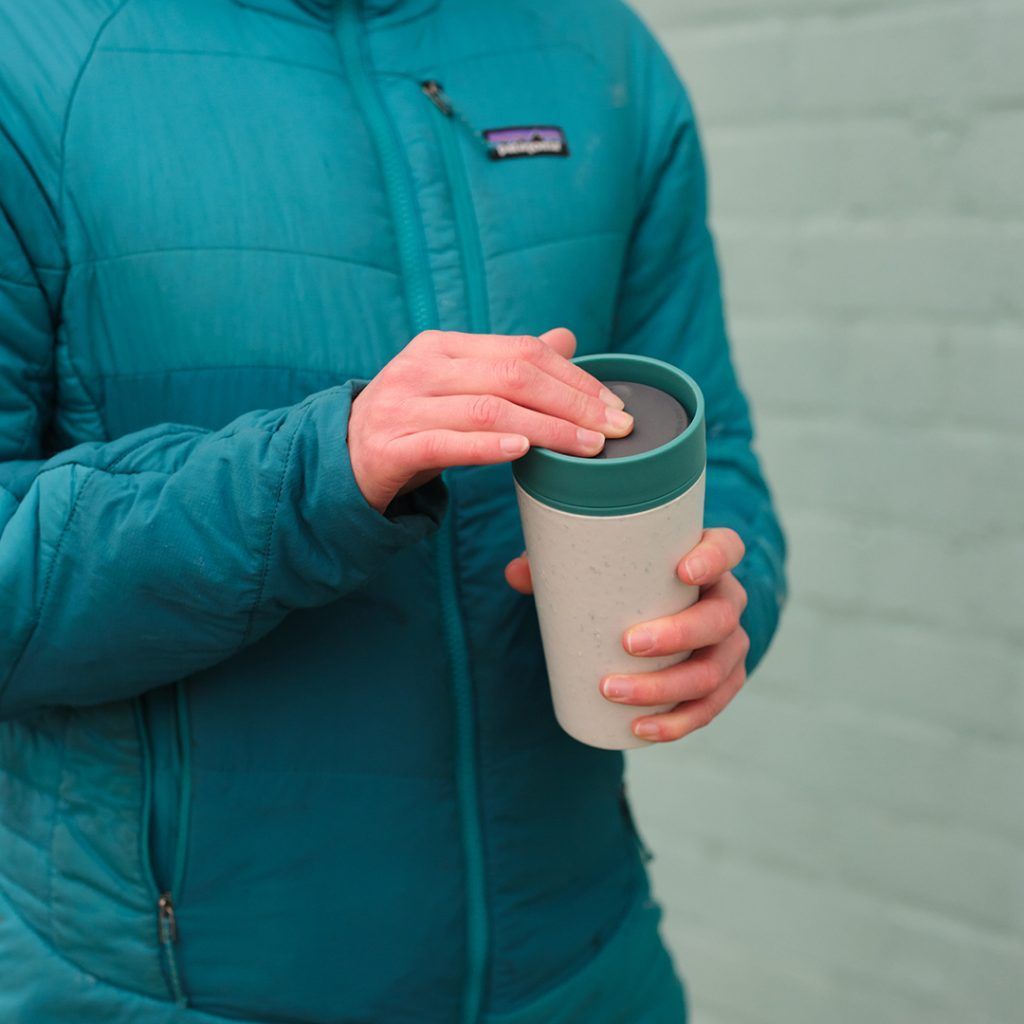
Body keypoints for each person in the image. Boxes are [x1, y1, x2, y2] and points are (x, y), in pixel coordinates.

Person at [0, 0, 787, 1021]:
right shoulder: (31, 61)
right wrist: (318, 471)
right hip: (167, 992)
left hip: (586, 964)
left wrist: (726, 602)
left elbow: (707, 443)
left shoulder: (596, 47)